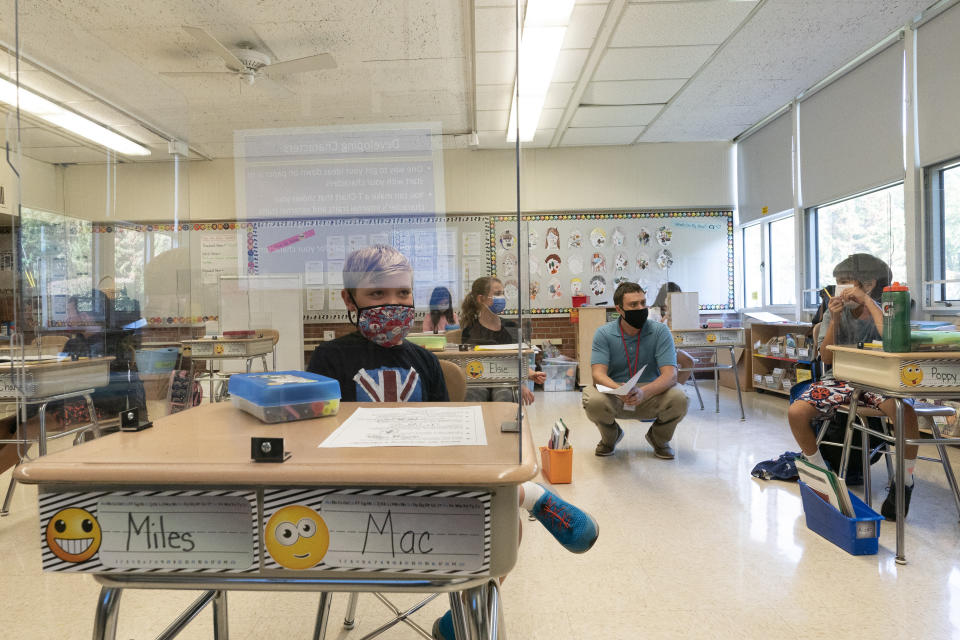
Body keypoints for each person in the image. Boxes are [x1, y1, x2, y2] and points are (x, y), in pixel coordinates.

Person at [305, 247, 598, 640]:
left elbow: (446, 439)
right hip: (355, 497)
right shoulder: (328, 358)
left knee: (504, 523)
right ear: (349, 299)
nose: (392, 304)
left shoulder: (424, 362)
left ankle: (455, 623)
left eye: (402, 294)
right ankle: (530, 496)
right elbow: (316, 440)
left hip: (422, 486)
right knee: (506, 503)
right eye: (377, 295)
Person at [787, 253, 918, 520]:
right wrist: (834, 319)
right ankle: (821, 475)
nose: (839, 288)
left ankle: (904, 482)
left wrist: (869, 303)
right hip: (841, 377)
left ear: (868, 284)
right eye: (838, 282)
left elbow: (893, 340)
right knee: (797, 412)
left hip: (879, 379)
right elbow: (826, 358)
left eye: (845, 281)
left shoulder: (889, 306)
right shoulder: (833, 310)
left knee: (904, 412)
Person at [581, 282, 688, 458]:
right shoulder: (603, 333)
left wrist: (643, 392)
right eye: (633, 305)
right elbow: (597, 374)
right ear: (619, 309)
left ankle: (659, 439)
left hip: (651, 393)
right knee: (592, 400)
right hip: (615, 393)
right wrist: (619, 390)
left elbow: (671, 374)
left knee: (680, 398)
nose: (640, 308)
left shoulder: (661, 331)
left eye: (643, 303)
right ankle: (610, 438)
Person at [460, 276, 545, 404]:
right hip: (479, 380)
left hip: (506, 381)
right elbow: (470, 366)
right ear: (481, 299)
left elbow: (516, 361)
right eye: (497, 294)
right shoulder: (471, 331)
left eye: (502, 293)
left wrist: (531, 374)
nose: (502, 298)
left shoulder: (511, 328)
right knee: (473, 394)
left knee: (504, 393)